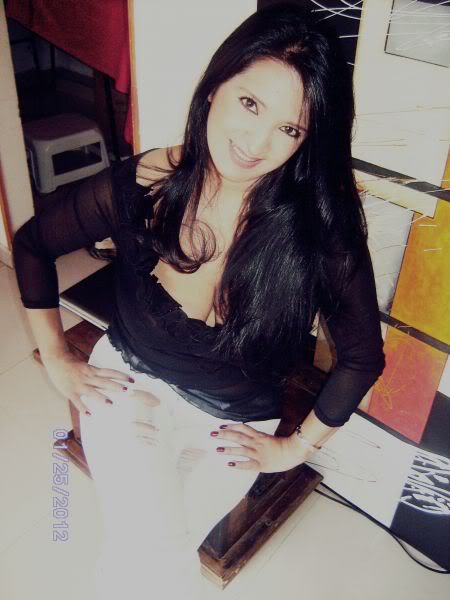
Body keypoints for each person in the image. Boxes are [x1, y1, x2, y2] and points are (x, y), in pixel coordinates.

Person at [12, 3, 385, 598]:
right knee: (157, 557)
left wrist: (294, 449)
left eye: (289, 129)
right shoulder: (149, 183)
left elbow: (362, 357)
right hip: (129, 384)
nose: (256, 143)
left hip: (237, 425)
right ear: (215, 87)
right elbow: (34, 245)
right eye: (250, 103)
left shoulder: (321, 230)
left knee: (151, 556)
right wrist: (57, 357)